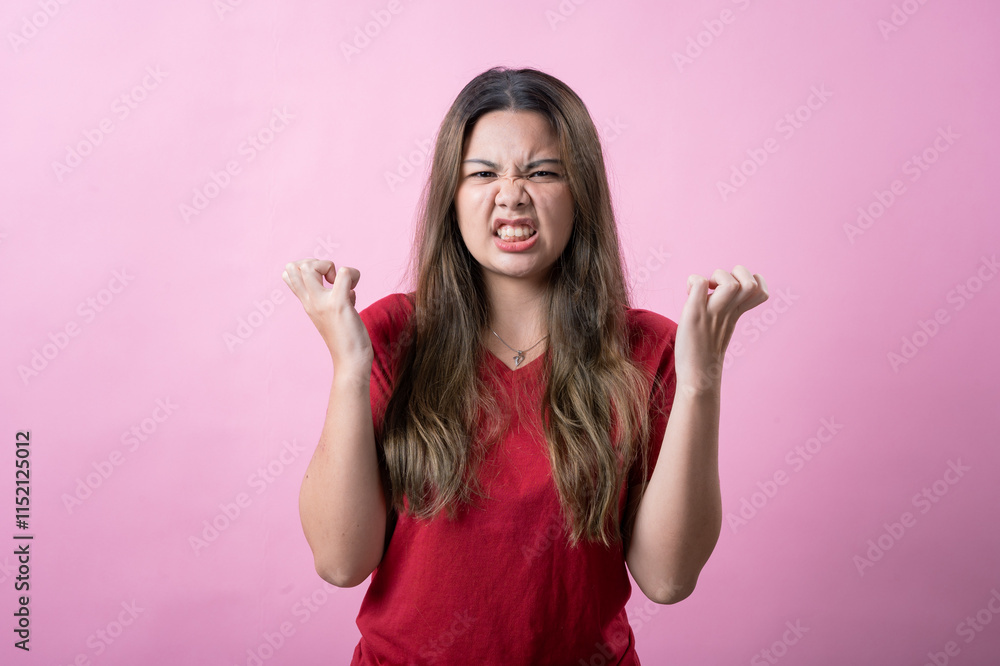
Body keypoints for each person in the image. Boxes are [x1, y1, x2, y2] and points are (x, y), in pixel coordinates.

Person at [282, 66, 769, 665]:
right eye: (482, 173)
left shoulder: (649, 350)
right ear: (450, 198)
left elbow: (667, 579)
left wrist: (700, 383)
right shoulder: (389, 335)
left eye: (542, 172)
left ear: (580, 192)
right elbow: (339, 560)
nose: (510, 193)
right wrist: (350, 367)